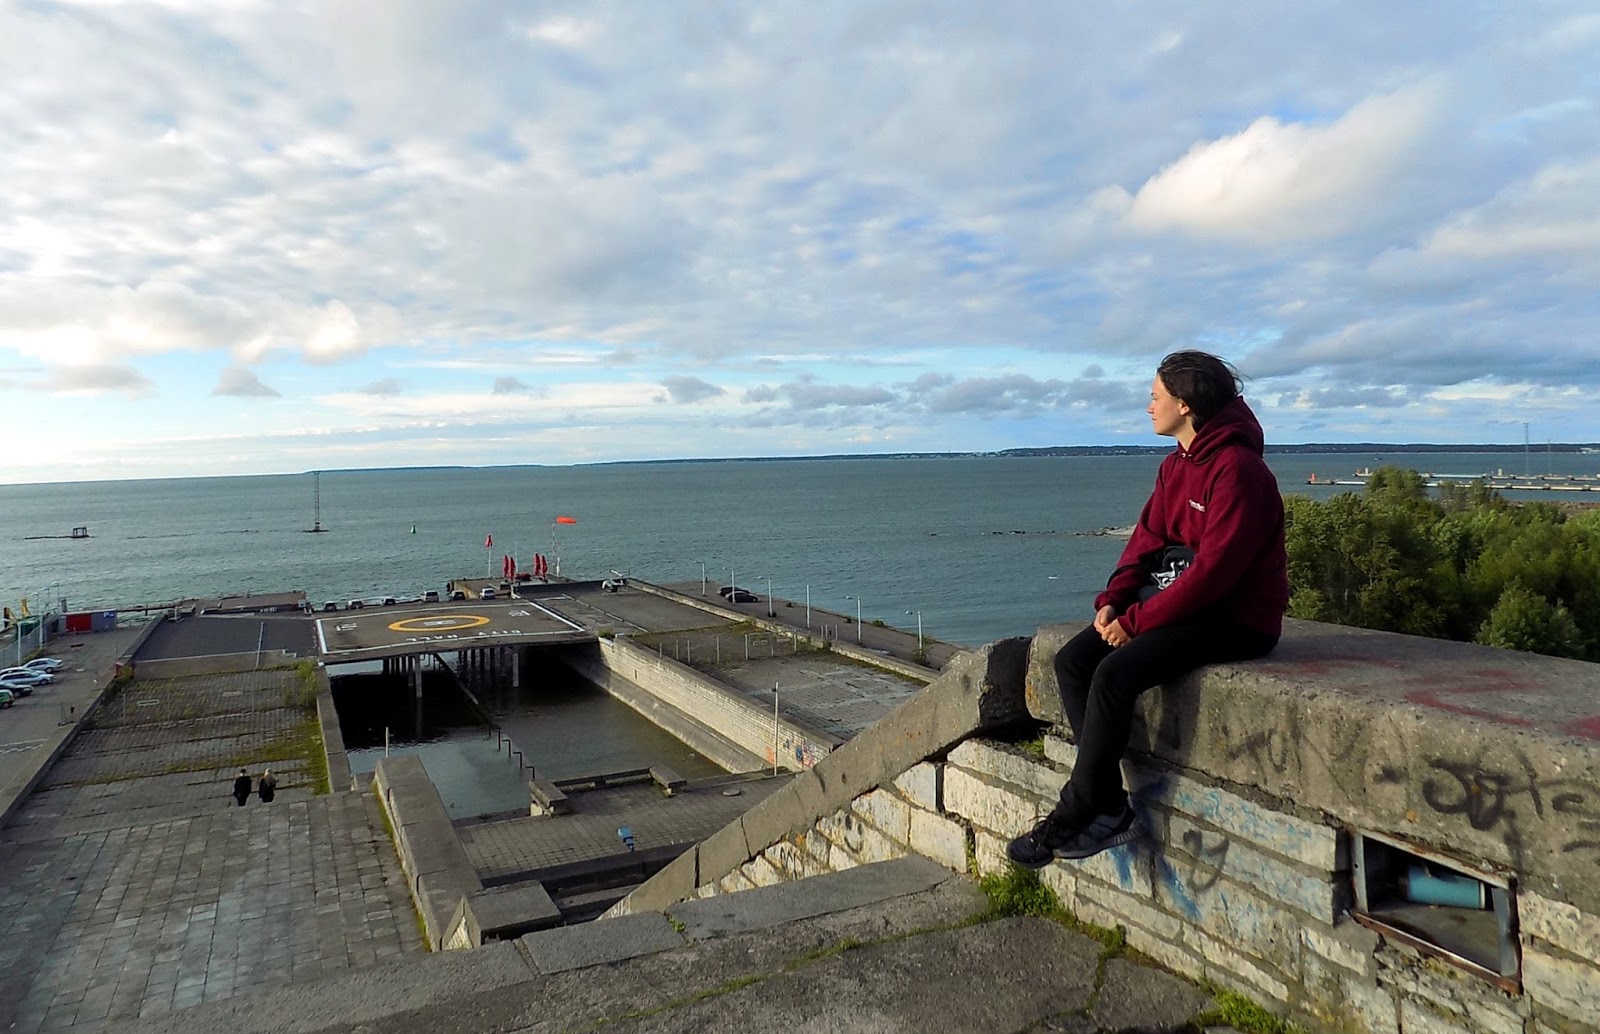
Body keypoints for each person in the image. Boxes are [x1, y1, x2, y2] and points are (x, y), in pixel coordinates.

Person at [1008, 351, 1288, 868]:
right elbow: (1147, 540)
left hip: (1236, 619)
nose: (1148, 406)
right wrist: (1114, 601)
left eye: (1155, 396)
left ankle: (1076, 809)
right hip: (1177, 602)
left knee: (1115, 674)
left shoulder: (1238, 470)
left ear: (1185, 405)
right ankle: (1109, 805)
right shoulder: (1175, 465)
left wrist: (1136, 624)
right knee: (1073, 661)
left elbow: (1216, 574)